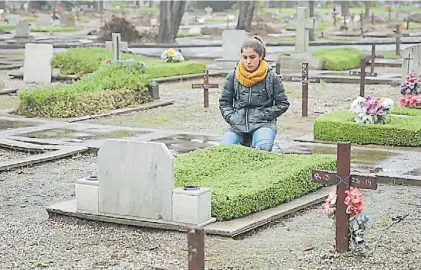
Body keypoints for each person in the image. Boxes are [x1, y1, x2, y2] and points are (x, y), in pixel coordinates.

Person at [218, 36, 290, 152]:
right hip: (238, 125)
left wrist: (264, 115)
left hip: (263, 124)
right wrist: (232, 118)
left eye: (252, 57)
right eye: (244, 57)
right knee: (223, 151)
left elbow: (283, 103)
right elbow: (224, 102)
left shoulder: (271, 77)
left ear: (260, 56)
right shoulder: (233, 75)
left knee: (263, 149)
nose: (248, 61)